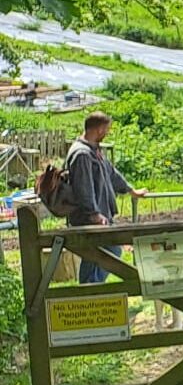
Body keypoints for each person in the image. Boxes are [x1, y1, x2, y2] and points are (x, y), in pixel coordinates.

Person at [62, 111, 146, 282]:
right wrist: (94, 214)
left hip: (99, 216)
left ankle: (90, 295)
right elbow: (83, 188)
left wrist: (131, 190)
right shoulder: (82, 154)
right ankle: (90, 294)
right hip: (89, 218)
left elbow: (112, 173)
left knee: (98, 255)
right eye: (107, 129)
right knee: (106, 252)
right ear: (99, 129)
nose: (108, 132)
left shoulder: (93, 151)